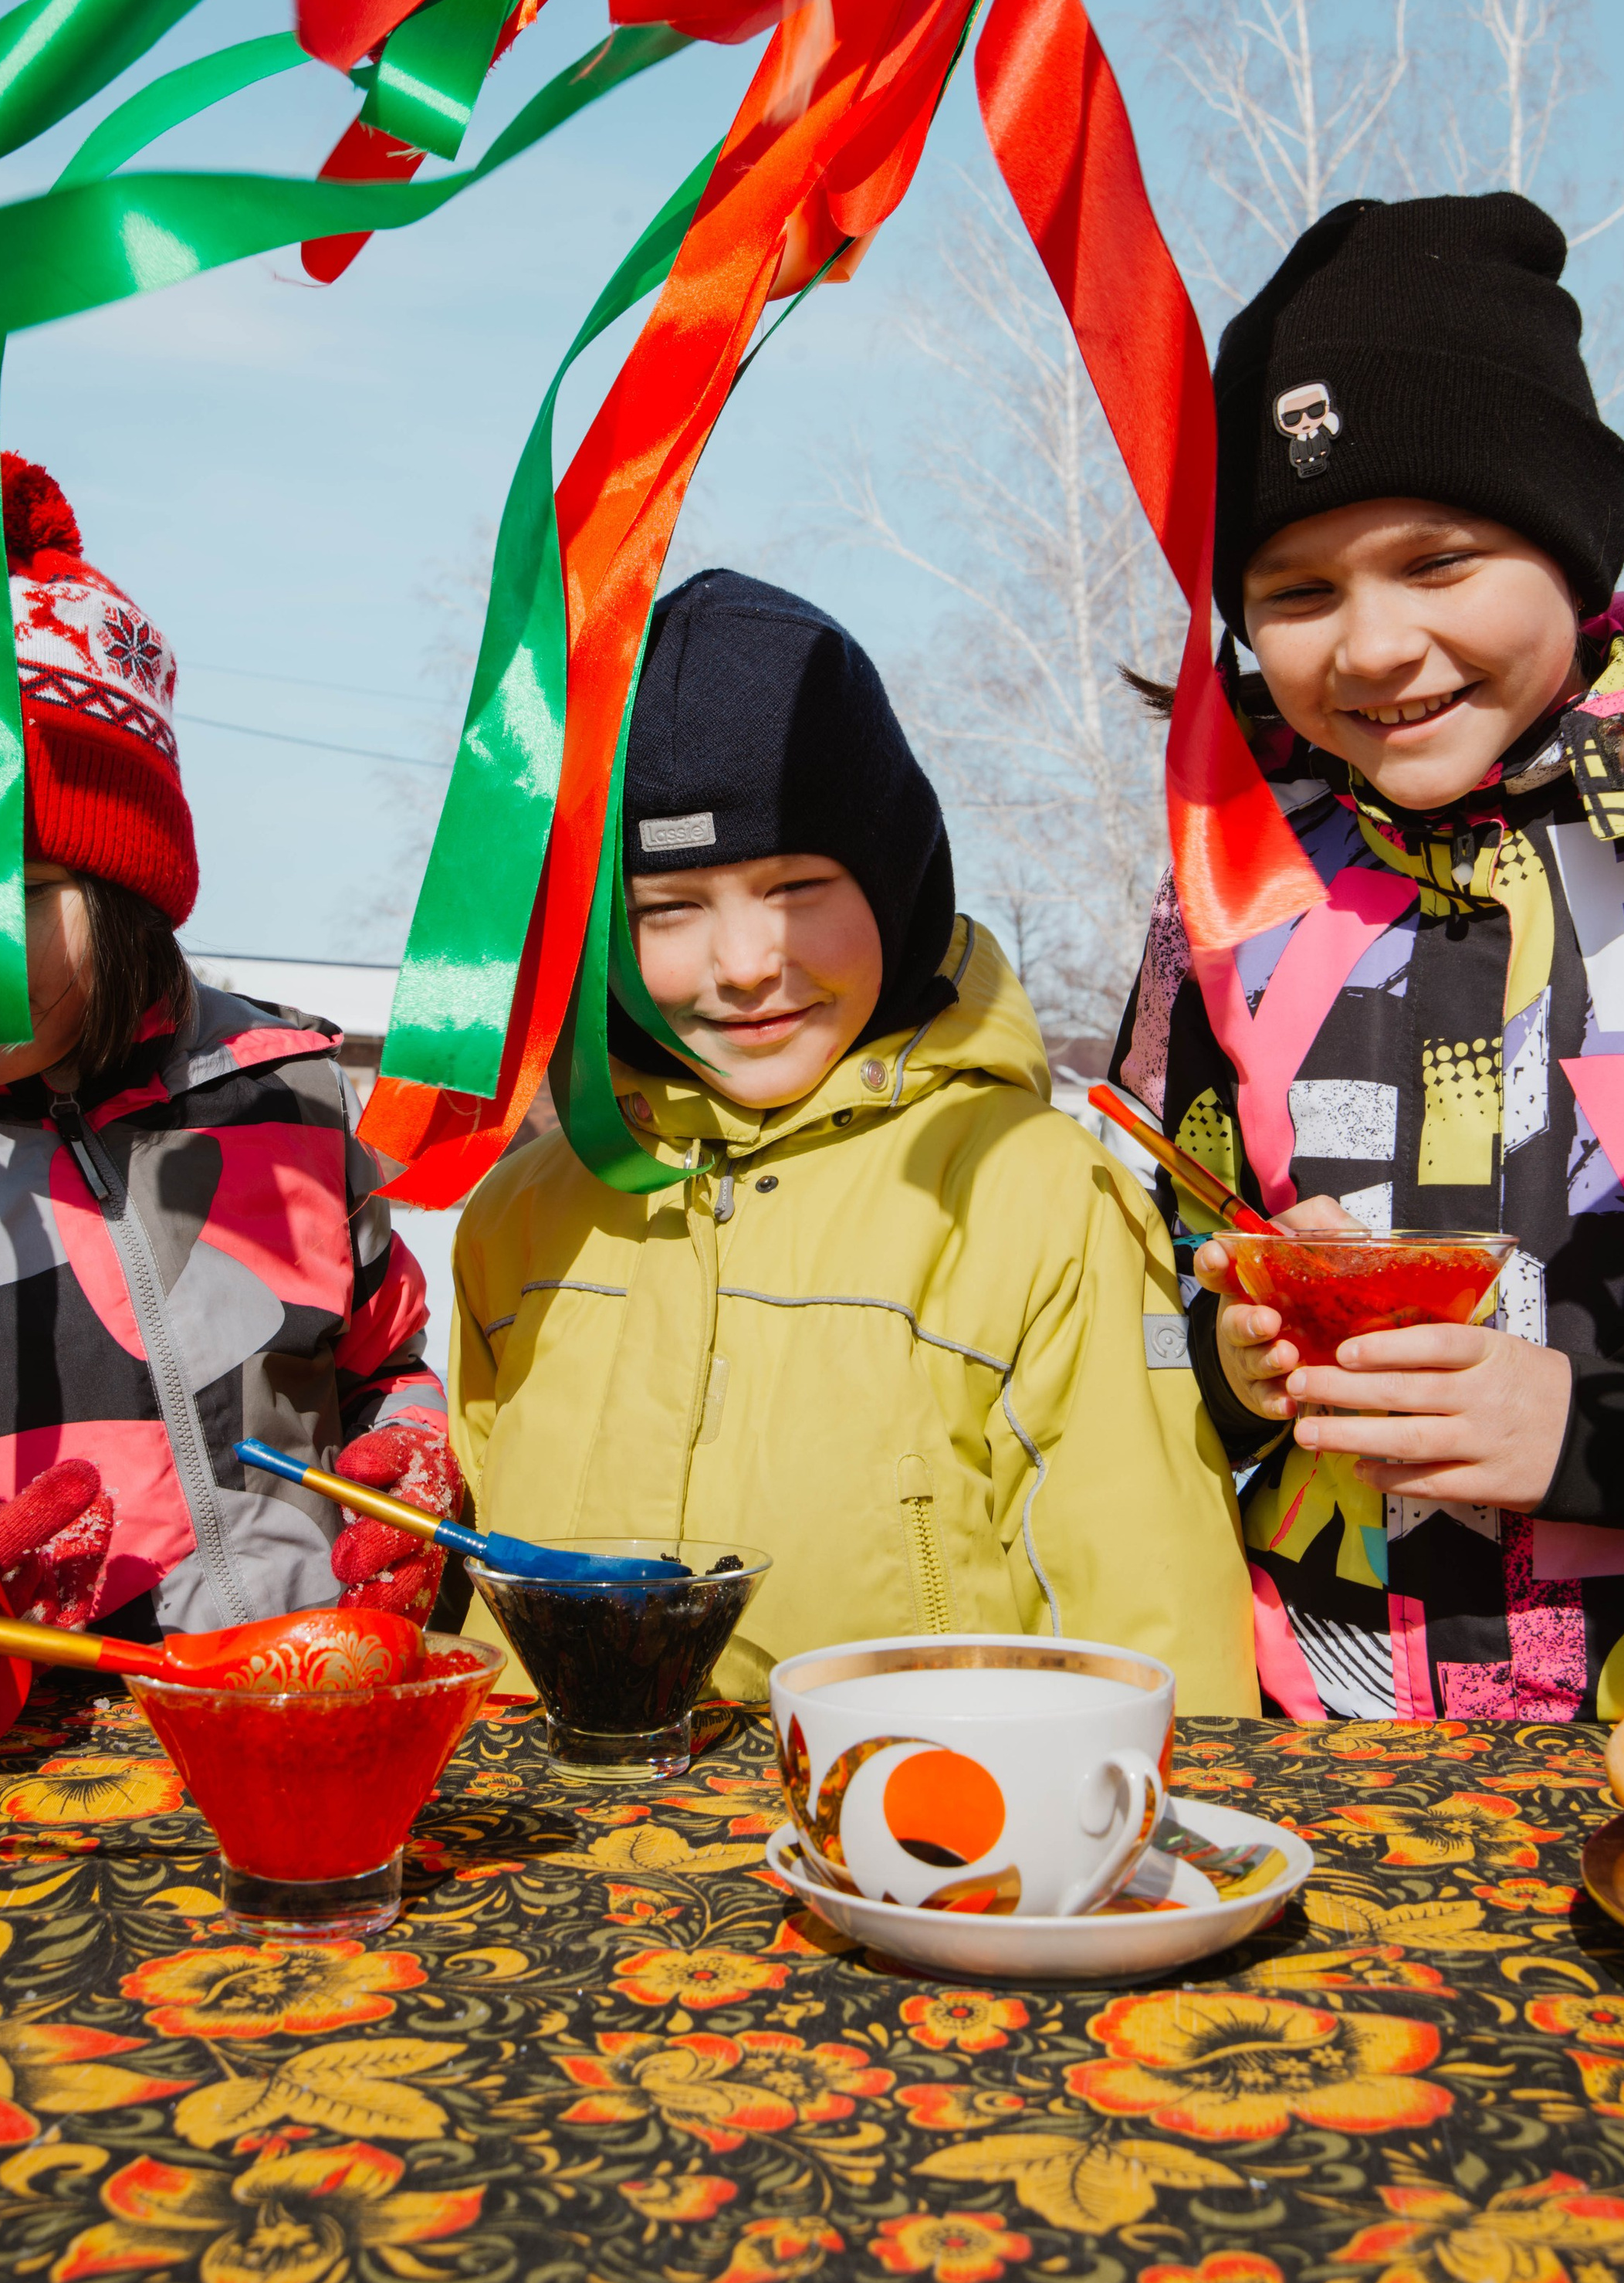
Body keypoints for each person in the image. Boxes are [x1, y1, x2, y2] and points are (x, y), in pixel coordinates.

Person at [1111, 191, 1624, 1724]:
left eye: (1438, 559)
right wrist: (1228, 1349)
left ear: (1568, 544)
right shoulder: (1229, 892)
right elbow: (1134, 1274)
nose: (1374, 645)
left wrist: (1606, 1437)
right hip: (1325, 1727)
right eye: (1300, 592)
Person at [448, 568, 1257, 1710]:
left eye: (796, 886)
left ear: (895, 878)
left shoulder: (1031, 1196)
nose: (742, 964)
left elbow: (1148, 1605)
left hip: (924, 1852)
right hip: (566, 1869)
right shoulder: (524, 1215)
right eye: (667, 908)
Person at [0, 456, 453, 1646]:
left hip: (288, 1707)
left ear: (130, 884)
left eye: (19, 887)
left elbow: (378, 1361)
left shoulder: (278, 1096)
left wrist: (412, 1458)